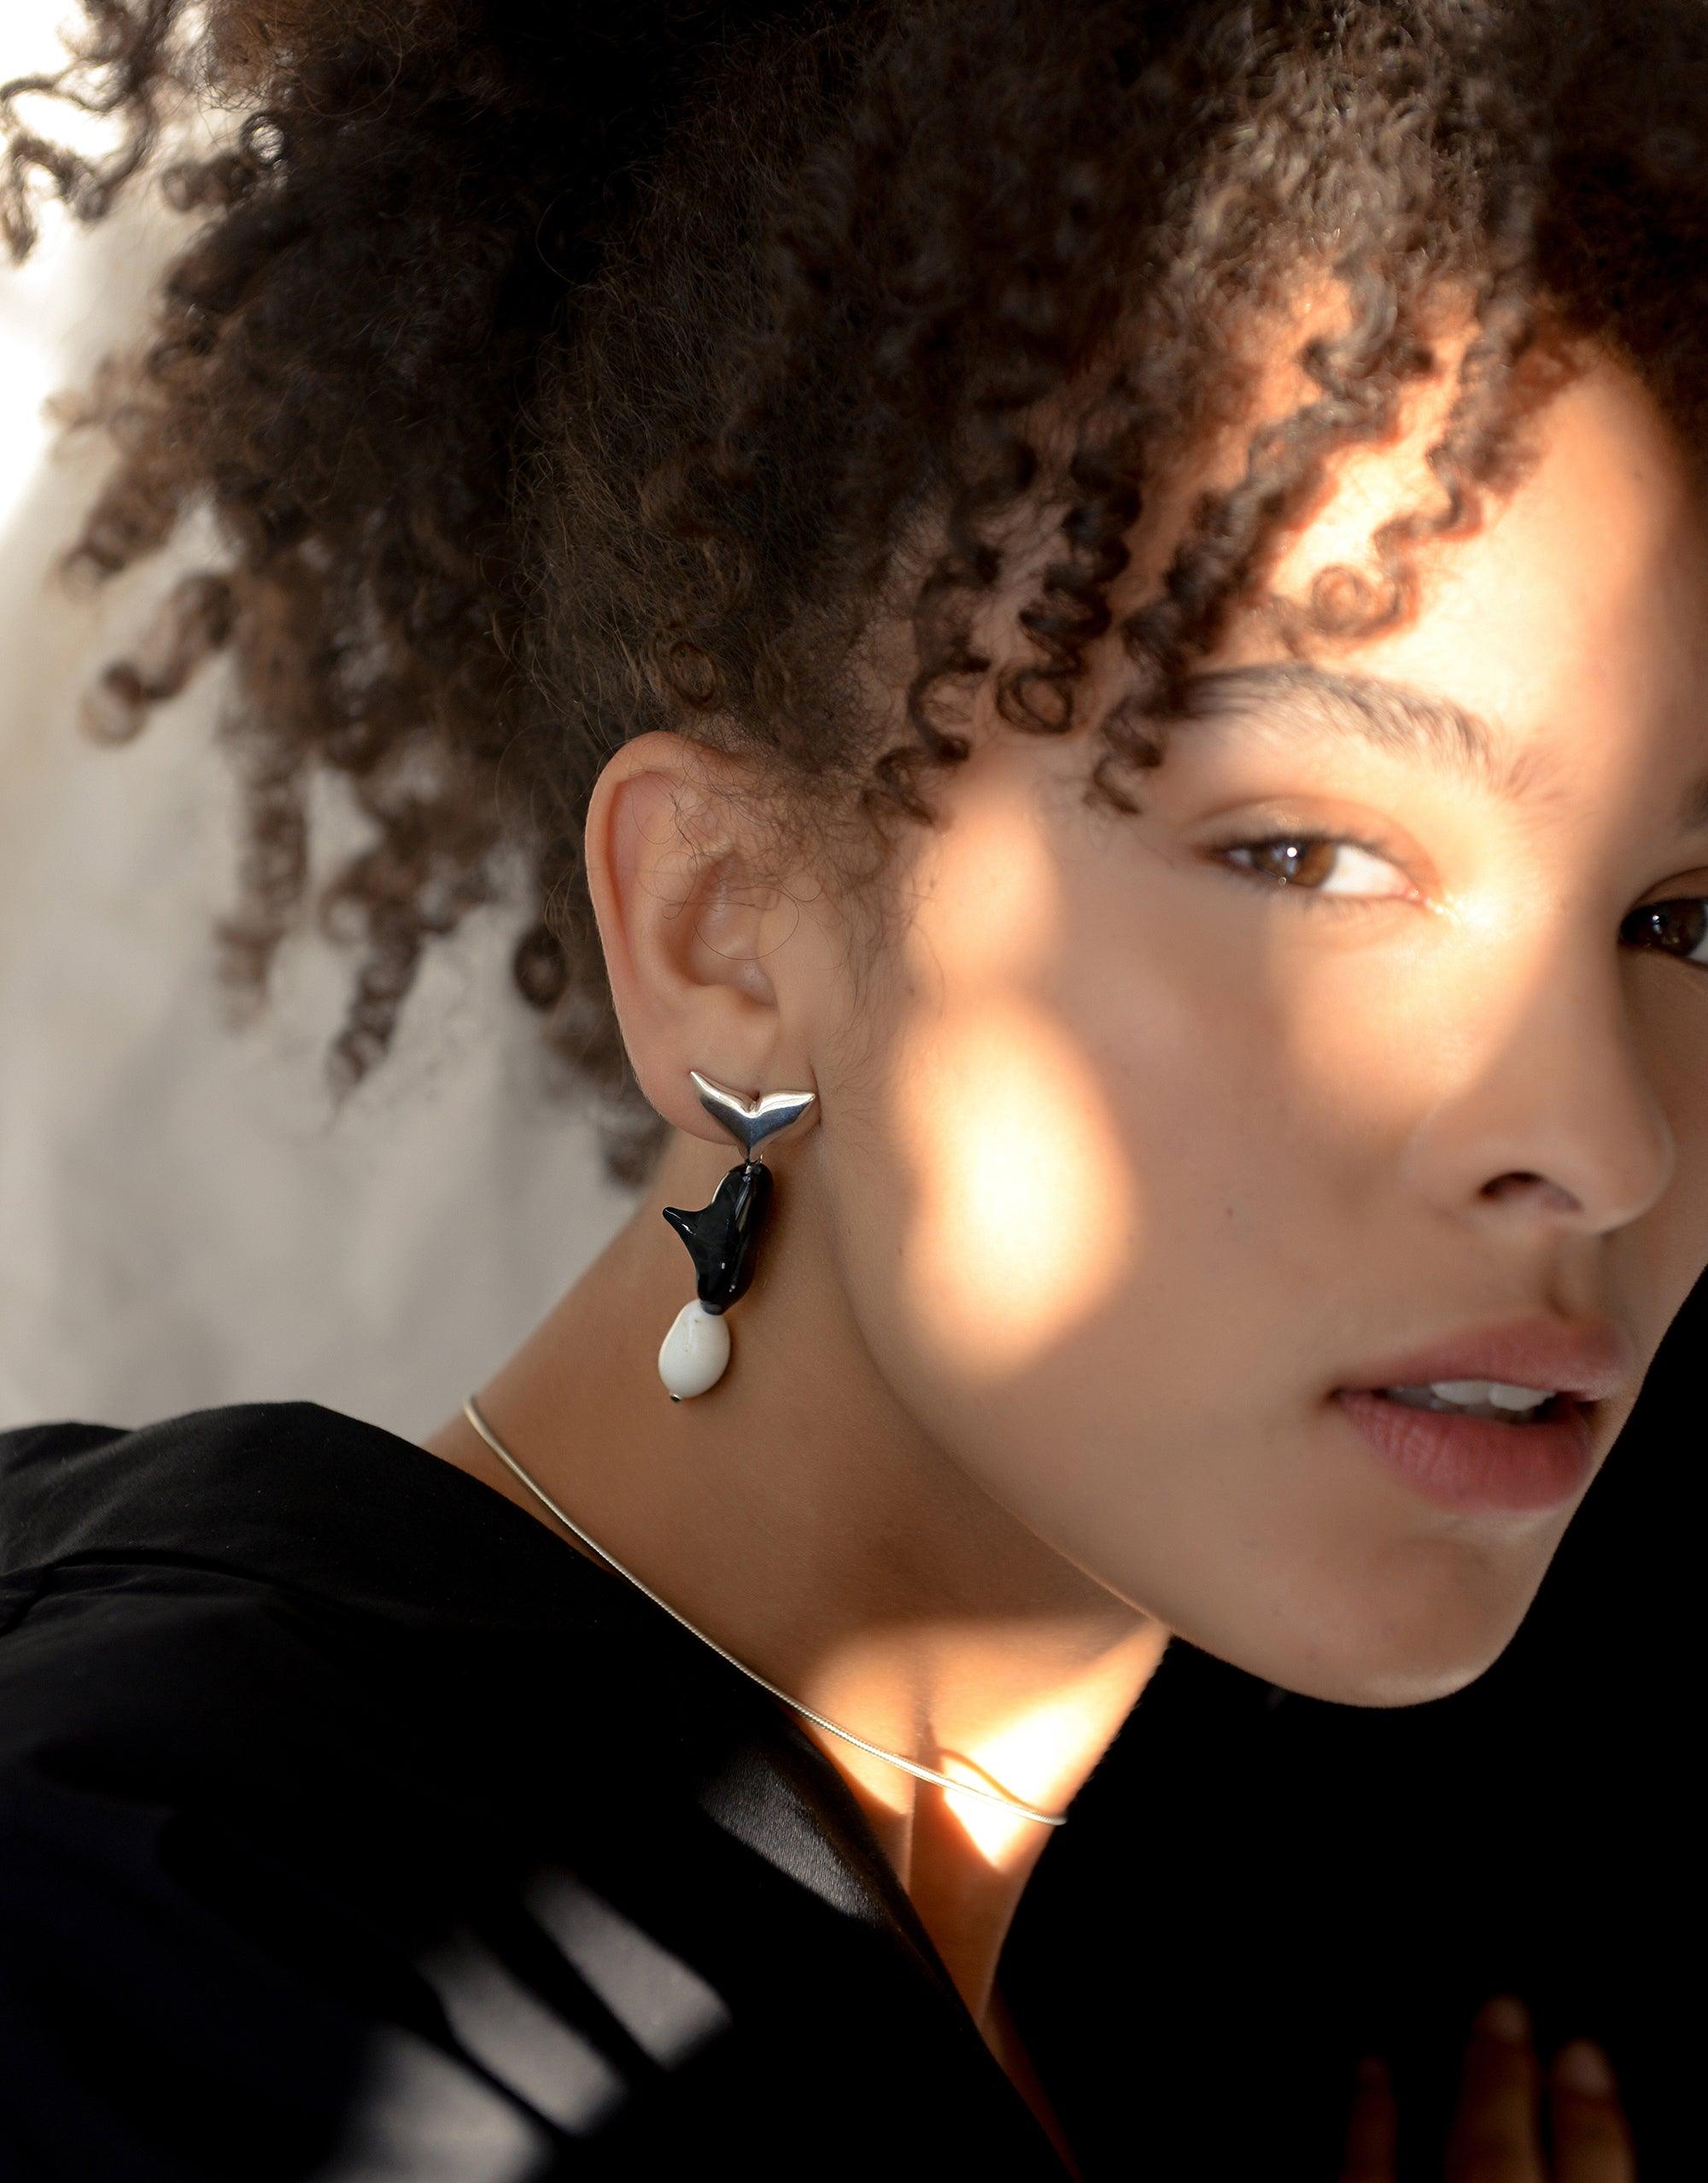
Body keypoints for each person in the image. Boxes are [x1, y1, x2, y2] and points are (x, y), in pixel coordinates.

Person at [0, 0, 1693, 2173]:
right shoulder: (171, 1970)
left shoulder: (1190, 1976)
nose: (1604, 1139)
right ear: (724, 927)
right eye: (1300, 853)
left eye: (1687, 920)